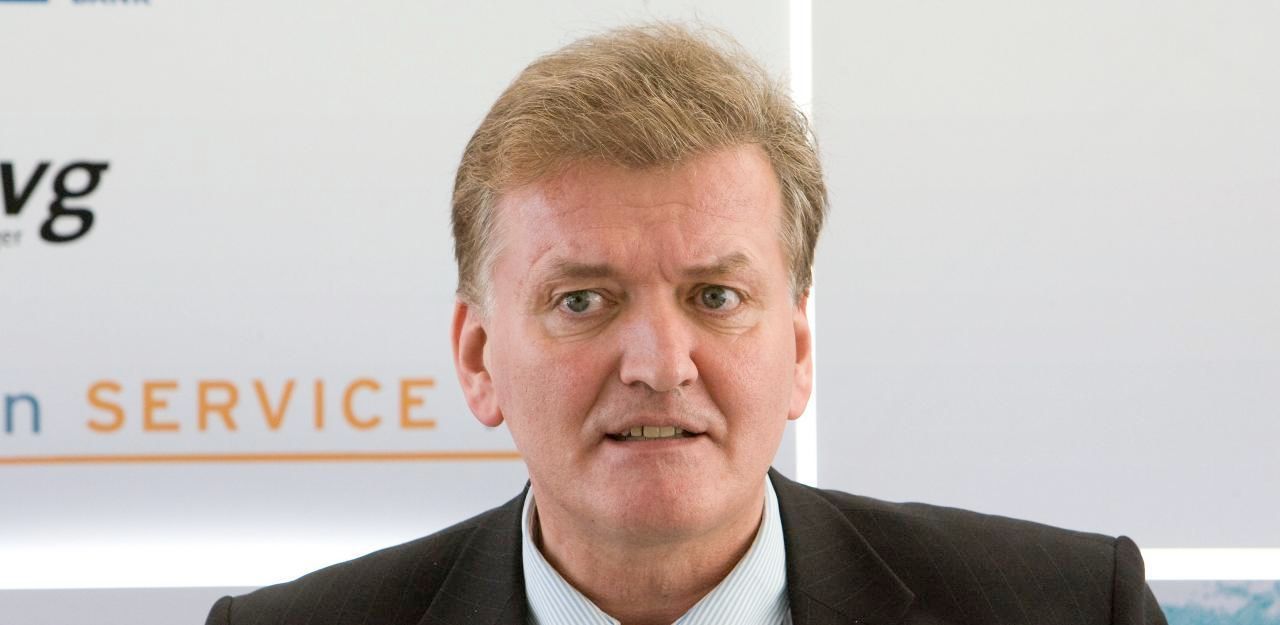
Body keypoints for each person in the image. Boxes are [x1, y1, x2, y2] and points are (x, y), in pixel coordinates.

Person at [206, 23, 1166, 625]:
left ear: (798, 348)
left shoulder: (1075, 608)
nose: (660, 364)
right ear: (477, 357)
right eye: (582, 300)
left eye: (715, 297)